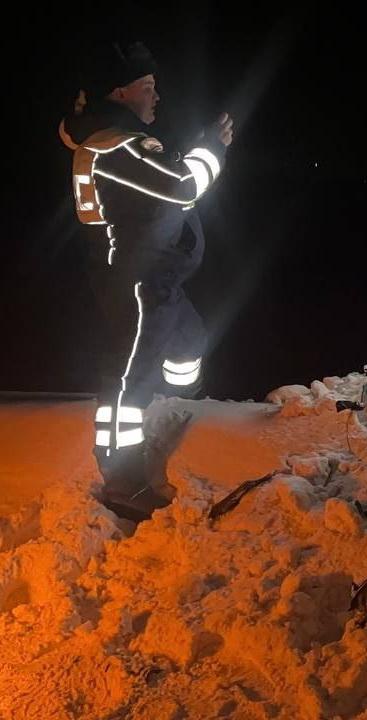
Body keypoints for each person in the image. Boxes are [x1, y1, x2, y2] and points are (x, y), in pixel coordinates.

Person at [59, 41, 233, 518]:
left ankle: (182, 408)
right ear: (119, 92)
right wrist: (211, 148)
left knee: (189, 345)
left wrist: (192, 149)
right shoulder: (113, 146)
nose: (156, 96)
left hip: (160, 280)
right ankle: (122, 479)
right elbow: (181, 186)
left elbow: (161, 180)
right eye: (148, 86)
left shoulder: (126, 143)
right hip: (136, 283)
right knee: (125, 381)